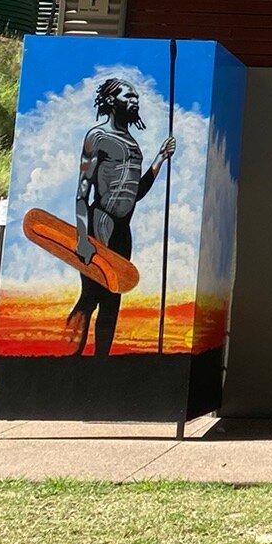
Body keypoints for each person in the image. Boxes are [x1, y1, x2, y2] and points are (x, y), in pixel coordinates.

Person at [66, 77, 174, 357]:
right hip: (99, 224)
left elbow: (135, 193)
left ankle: (101, 365)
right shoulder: (98, 136)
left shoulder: (134, 146)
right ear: (112, 100)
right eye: (129, 96)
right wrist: (82, 238)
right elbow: (82, 192)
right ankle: (67, 358)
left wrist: (159, 159)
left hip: (123, 231)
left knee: (113, 300)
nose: (135, 101)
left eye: (137, 97)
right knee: (91, 295)